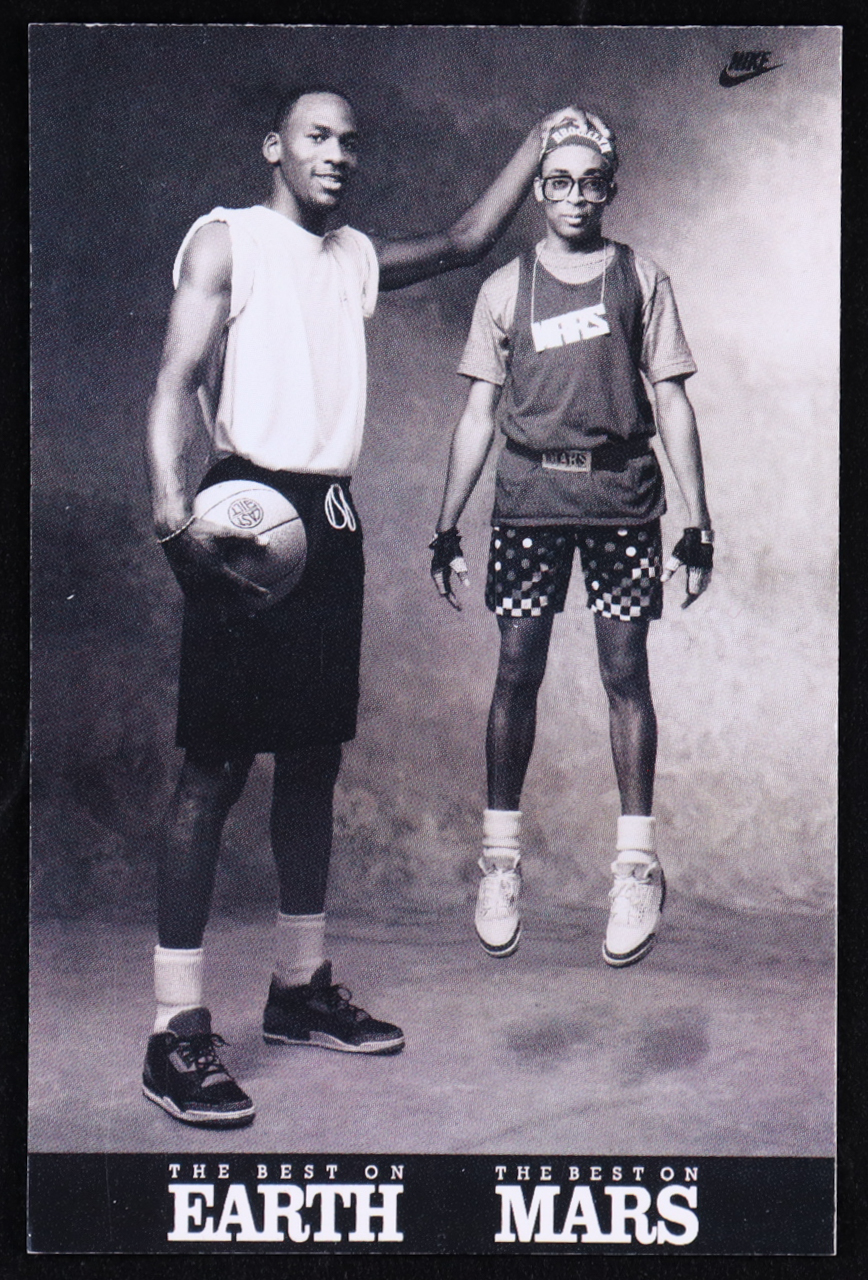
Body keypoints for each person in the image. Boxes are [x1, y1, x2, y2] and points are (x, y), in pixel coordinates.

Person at [143, 87, 588, 1127]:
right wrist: (171, 520)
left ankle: (299, 988)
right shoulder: (227, 239)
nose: (337, 154)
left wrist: (541, 138)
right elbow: (172, 379)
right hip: (245, 508)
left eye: (349, 141)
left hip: (331, 518)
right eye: (317, 136)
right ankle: (173, 1030)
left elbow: (468, 240)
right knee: (212, 770)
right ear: (275, 147)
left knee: (312, 761)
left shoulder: (351, 260)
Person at [430, 115, 713, 968]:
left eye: (592, 182)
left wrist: (699, 521)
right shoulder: (504, 287)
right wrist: (445, 524)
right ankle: (500, 863)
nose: (576, 196)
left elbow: (672, 401)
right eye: (560, 181)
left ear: (611, 188)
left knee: (625, 675)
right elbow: (478, 414)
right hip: (530, 501)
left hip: (622, 498)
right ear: (540, 191)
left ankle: (637, 867)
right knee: (517, 671)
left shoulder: (640, 277)